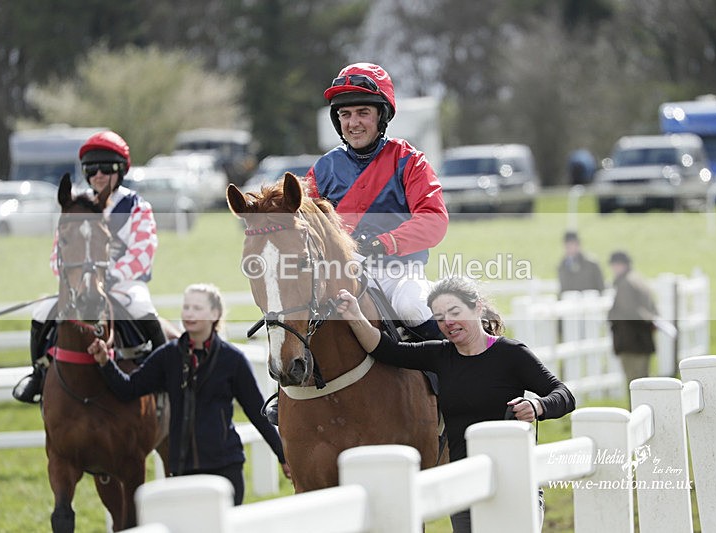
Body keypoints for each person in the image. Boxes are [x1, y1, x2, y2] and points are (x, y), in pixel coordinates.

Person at [335, 276, 575, 533]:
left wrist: (538, 406)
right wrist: (354, 315)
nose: (447, 322)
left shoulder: (512, 354)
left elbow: (564, 395)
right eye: (439, 317)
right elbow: (386, 350)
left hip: (515, 482)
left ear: (477, 308)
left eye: (454, 312)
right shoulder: (440, 355)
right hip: (465, 486)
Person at [89, 283, 291, 505]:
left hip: (225, 471)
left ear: (215, 314)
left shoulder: (233, 360)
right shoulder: (167, 356)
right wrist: (105, 362)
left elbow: (257, 412)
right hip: (182, 473)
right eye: (186, 307)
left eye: (197, 308)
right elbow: (129, 389)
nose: (189, 313)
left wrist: (283, 456)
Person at [13, 130, 167, 403]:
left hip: (124, 284)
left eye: (106, 168)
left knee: (142, 308)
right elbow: (57, 254)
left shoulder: (137, 206)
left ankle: (164, 375)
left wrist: (107, 277)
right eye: (91, 168)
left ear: (121, 170)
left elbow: (142, 253)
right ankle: (38, 373)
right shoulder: (75, 206)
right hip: (78, 285)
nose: (98, 174)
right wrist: (74, 278)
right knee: (42, 311)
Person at [305, 62, 449, 340]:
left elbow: (434, 221)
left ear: (381, 116)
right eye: (345, 114)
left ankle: (453, 366)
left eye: (363, 113)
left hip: (400, 273)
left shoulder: (410, 161)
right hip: (343, 274)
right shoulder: (322, 169)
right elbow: (304, 223)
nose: (353, 123)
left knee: (411, 307)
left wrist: (385, 242)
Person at [607, 251, 658, 389]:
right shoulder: (638, 279)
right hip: (642, 340)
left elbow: (630, 311)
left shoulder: (625, 283)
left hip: (631, 341)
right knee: (643, 381)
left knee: (635, 383)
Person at [557, 230, 604, 295]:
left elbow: (601, 287)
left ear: (578, 245)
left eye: (572, 244)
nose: (569, 248)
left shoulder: (591, 264)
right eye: (567, 245)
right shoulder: (562, 266)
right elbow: (562, 289)